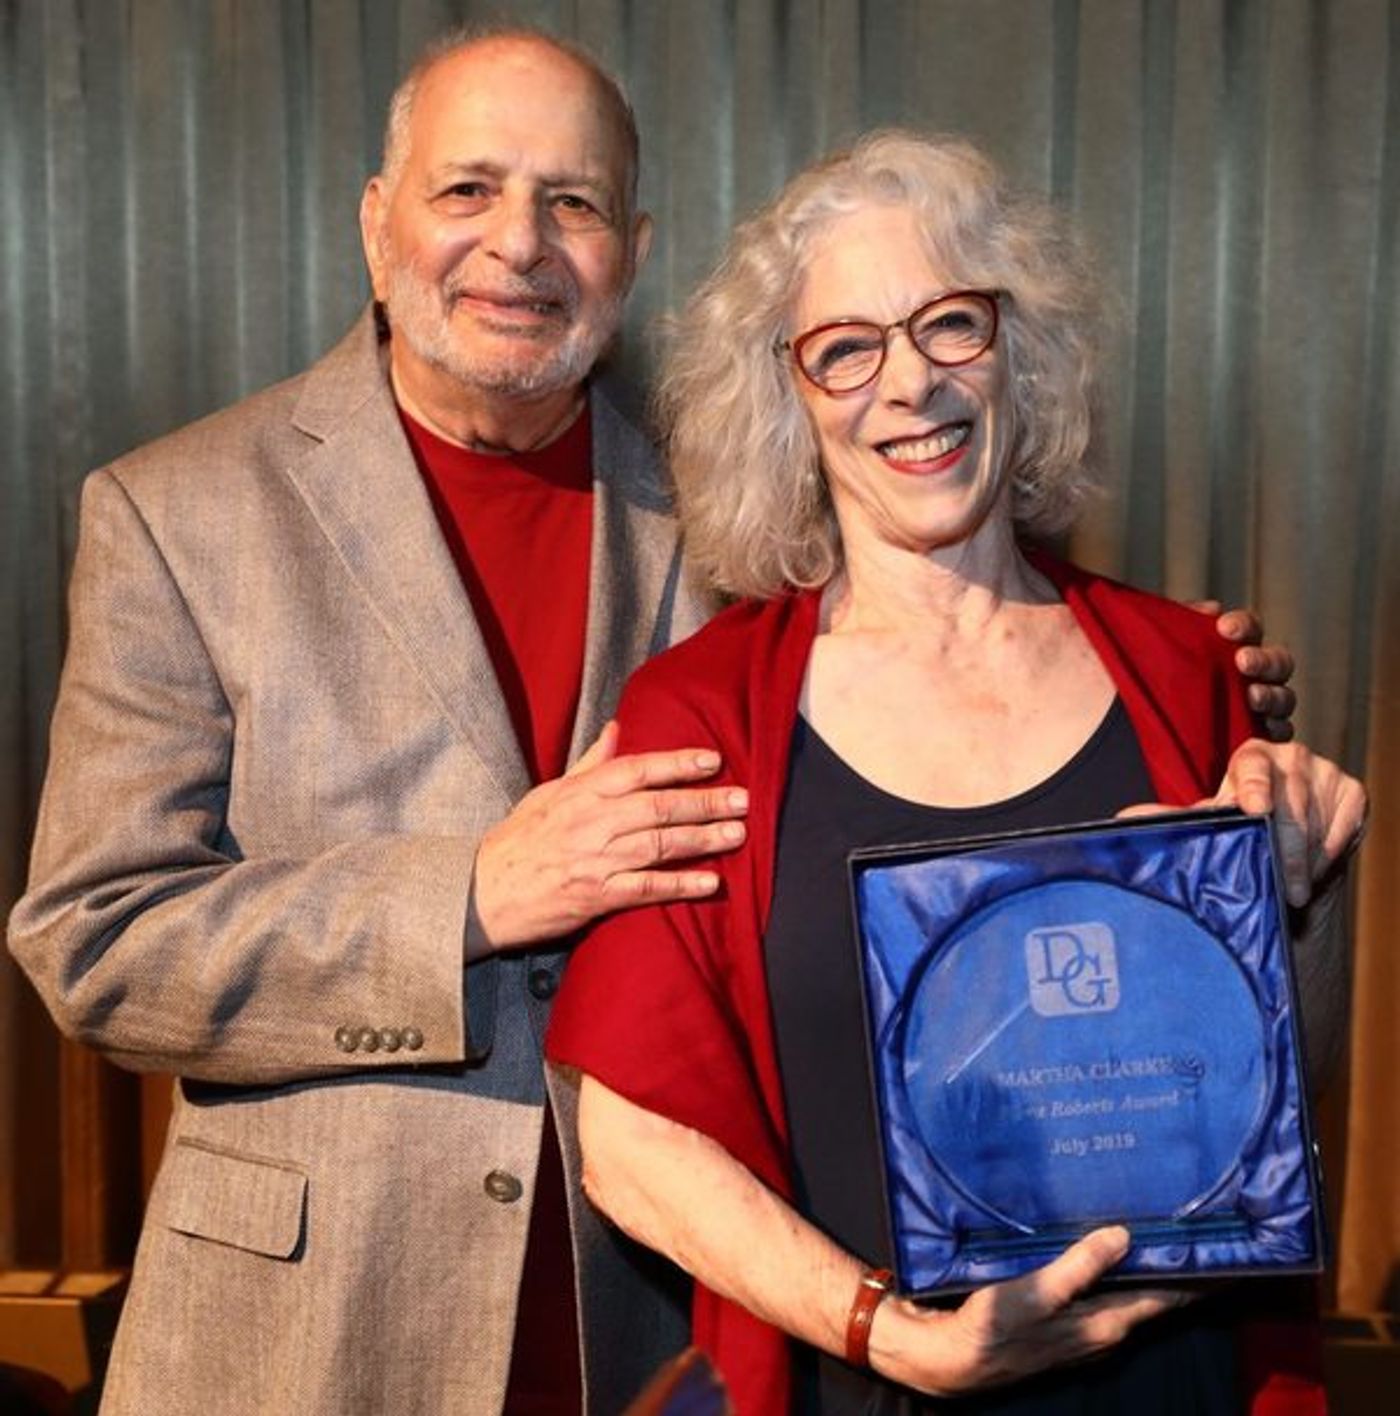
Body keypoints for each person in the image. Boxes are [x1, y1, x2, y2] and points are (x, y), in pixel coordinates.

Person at [7, 28, 1293, 1416]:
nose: (521, 245)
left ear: (634, 243)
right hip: (317, 1332)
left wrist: (1185, 681)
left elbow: (941, 661)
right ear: (378, 223)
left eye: (573, 202)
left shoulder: (739, 508)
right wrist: (471, 898)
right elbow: (96, 939)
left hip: (649, 1333)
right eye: (468, 192)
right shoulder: (178, 511)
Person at [545, 131, 1366, 1416]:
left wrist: (1308, 880)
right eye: (845, 349)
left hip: (1173, 1383)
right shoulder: (704, 713)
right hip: (863, 1385)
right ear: (790, 399)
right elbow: (630, 1141)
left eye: (948, 326)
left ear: (1016, 352)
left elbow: (1280, 1066)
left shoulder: (1182, 666)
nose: (907, 384)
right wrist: (885, 1332)